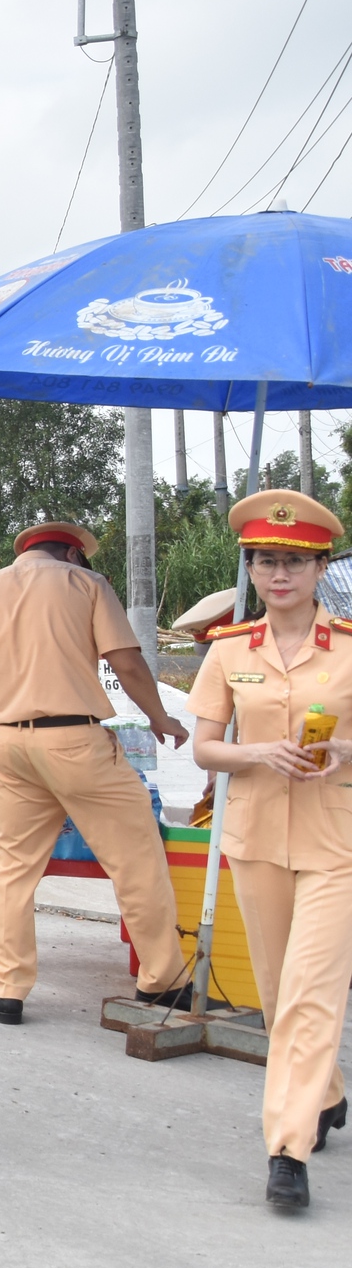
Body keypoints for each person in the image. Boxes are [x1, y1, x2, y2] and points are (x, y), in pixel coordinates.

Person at [0, 519, 193, 1023]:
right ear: (73, 555)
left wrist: (6, 694)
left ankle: (5, 989)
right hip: (76, 741)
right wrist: (160, 718)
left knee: (14, 869)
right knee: (136, 857)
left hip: (9, 744)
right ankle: (162, 981)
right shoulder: (87, 584)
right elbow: (128, 663)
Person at [183, 490, 352, 1211]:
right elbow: (204, 747)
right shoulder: (228, 651)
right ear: (250, 568)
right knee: (281, 993)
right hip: (253, 840)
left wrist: (343, 748)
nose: (277, 573)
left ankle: (288, 1147)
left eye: (292, 561)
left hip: (333, 842)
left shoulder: (348, 647)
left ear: (318, 568)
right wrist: (255, 753)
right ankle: (328, 1089)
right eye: (263, 560)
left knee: (312, 994)